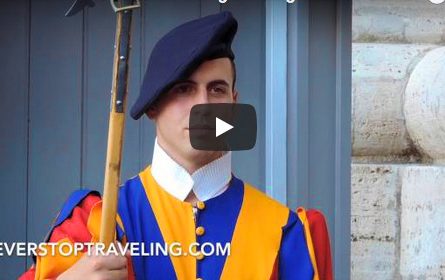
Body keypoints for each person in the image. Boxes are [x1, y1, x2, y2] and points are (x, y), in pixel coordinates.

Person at [20, 11, 332, 280]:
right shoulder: (97, 223)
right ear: (153, 104)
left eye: (217, 89)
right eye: (184, 89)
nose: (203, 106)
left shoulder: (287, 233)